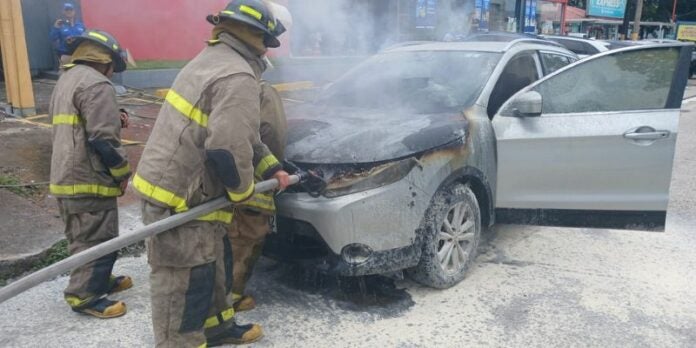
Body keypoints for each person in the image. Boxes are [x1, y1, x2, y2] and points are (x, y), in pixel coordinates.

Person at [132, 0, 289, 346]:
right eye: (267, 42)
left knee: (212, 264)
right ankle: (179, 342)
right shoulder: (237, 75)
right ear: (256, 37)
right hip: (181, 198)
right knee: (185, 280)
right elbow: (227, 148)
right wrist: (243, 191)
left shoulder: (215, 60)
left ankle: (218, 328)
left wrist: (273, 168)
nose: (268, 51)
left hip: (192, 190)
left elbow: (245, 136)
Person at [49, 29, 132, 319]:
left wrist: (114, 114)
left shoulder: (67, 80)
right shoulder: (98, 84)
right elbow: (102, 140)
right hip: (89, 179)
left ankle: (97, 280)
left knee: (81, 237)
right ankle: (85, 296)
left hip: (65, 175)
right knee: (99, 238)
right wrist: (122, 172)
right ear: (105, 61)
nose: (112, 74)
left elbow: (77, 125)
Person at [228, 80, 287, 313]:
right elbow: (272, 132)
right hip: (252, 180)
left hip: (218, 181)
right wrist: (275, 168)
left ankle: (218, 294)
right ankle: (231, 297)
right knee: (245, 238)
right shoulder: (262, 91)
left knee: (224, 235)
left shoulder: (218, 84)